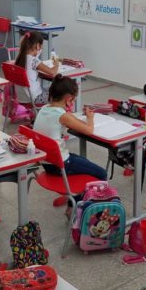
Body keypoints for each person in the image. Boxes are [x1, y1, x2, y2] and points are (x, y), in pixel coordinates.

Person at [33, 75, 107, 214]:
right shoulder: (63, 116)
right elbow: (89, 130)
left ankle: (72, 200)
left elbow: (67, 119)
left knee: (83, 160)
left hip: (48, 163)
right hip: (61, 165)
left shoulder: (44, 108)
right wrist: (90, 118)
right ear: (68, 99)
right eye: (73, 100)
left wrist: (72, 117)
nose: (73, 102)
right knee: (101, 173)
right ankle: (78, 209)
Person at [14, 31, 59, 106]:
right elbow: (52, 72)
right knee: (60, 93)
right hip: (35, 99)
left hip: (21, 98)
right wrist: (56, 64)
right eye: (41, 46)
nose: (41, 48)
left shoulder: (20, 58)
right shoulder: (33, 60)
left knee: (48, 89)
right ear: (38, 46)